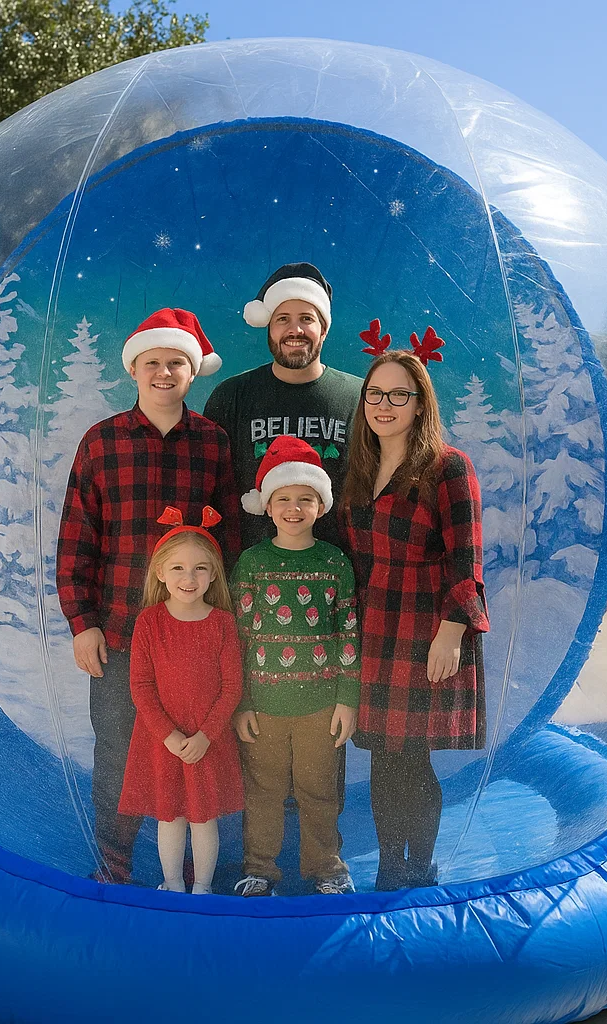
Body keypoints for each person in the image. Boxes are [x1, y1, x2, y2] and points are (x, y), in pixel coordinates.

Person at [57, 307, 240, 885]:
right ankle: (114, 863)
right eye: (154, 362)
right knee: (117, 751)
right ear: (135, 369)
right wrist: (80, 622)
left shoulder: (212, 443)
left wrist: (226, 620)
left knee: (194, 751)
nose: (165, 372)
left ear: (193, 373)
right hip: (116, 631)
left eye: (177, 363)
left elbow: (229, 537)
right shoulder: (102, 442)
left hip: (193, 639)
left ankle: (192, 863)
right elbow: (76, 538)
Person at [338, 347, 489, 892]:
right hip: (374, 629)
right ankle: (387, 867)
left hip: (426, 631)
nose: (385, 404)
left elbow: (465, 560)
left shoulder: (447, 466)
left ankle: (418, 869)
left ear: (420, 403)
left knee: (414, 759)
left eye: (399, 393)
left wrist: (452, 634)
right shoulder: (357, 470)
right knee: (383, 756)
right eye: (375, 393)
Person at [230, 436, 359, 896]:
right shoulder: (252, 564)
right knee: (263, 793)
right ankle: (259, 869)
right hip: (262, 706)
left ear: (321, 506)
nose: (293, 507)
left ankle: (326, 867)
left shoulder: (334, 563)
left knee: (319, 792)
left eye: (306, 499)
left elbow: (348, 633)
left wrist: (347, 699)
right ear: (267, 506)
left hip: (320, 707)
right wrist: (240, 702)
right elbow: (238, 637)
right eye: (283, 498)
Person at [117, 508, 244, 894]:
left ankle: (202, 887)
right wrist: (169, 736)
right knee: (170, 817)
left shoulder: (222, 622)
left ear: (214, 574)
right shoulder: (149, 622)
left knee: (204, 819)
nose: (189, 578)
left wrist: (206, 735)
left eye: (201, 569)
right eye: (178, 568)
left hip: (208, 740)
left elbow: (232, 687)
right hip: (162, 740)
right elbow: (141, 686)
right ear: (160, 572)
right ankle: (172, 883)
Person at [203, 262, 362, 551]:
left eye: (307, 319)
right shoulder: (231, 396)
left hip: (338, 575)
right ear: (268, 327)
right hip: (248, 575)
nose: (295, 330)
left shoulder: (358, 397)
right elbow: (210, 492)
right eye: (283, 319)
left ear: (324, 329)